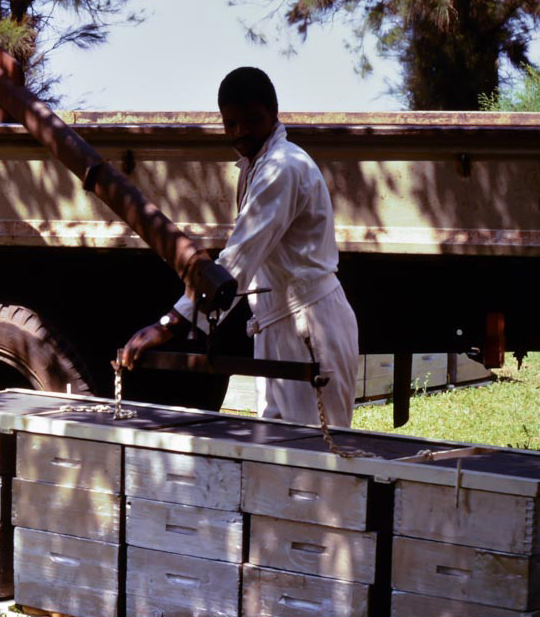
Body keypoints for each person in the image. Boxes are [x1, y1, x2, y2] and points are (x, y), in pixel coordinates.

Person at [120, 67, 360, 427]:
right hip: (277, 325)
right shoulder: (254, 166)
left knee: (316, 450)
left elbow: (236, 262)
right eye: (230, 124)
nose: (240, 133)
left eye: (252, 121)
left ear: (274, 113)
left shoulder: (283, 167)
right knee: (276, 446)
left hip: (310, 324)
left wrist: (169, 324)